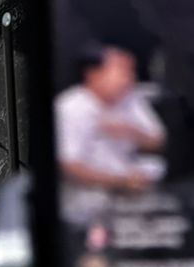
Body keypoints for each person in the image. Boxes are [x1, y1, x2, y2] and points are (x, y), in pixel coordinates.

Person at [55, 44, 167, 198]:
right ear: (94, 74)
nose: (130, 78)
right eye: (122, 71)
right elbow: (69, 166)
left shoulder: (130, 99)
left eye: (131, 71)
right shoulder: (70, 107)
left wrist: (131, 132)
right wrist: (122, 182)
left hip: (130, 184)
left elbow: (159, 142)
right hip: (87, 193)